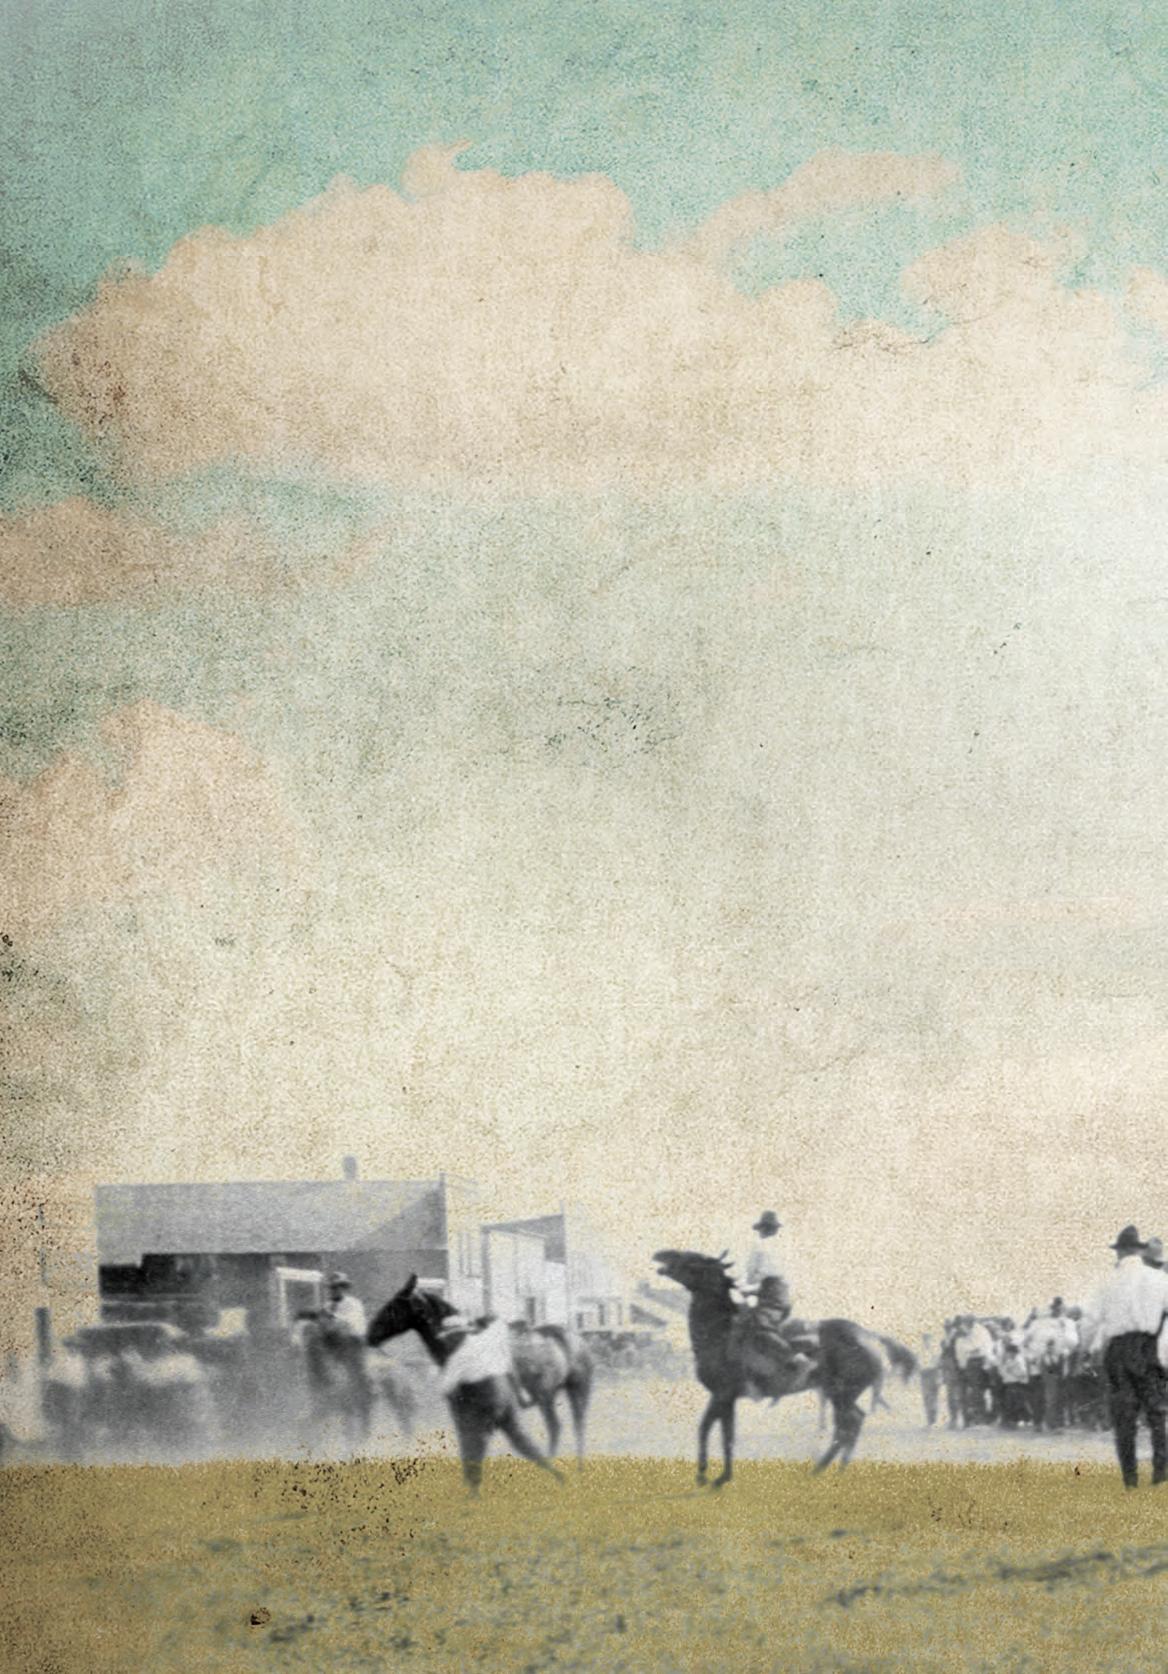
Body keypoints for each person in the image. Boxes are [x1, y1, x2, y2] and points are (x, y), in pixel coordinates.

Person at [1080, 1226, 1168, 1489]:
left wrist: (1084, 1350)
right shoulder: (1159, 1279)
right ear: (1139, 1251)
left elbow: (1090, 1321)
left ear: (1119, 1252)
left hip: (1118, 1350)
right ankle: (1161, 1473)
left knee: (1124, 1417)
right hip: (1148, 1347)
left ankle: (1130, 1480)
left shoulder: (1107, 1282)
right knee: (1156, 1413)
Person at [737, 1211, 814, 1392]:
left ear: (762, 1229)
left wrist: (744, 1288)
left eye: (762, 1229)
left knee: (759, 1325)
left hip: (770, 1294)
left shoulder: (759, 1246)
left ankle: (796, 1360)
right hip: (783, 1294)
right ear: (775, 1229)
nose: (761, 1232)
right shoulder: (785, 1247)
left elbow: (753, 1275)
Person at [919, 1332, 941, 1427]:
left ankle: (934, 1420)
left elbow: (938, 1363)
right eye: (924, 1339)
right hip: (924, 1374)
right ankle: (929, 1420)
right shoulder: (921, 1351)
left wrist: (939, 1376)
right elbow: (919, 1364)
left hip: (932, 1372)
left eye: (928, 1339)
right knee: (926, 1397)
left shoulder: (935, 1350)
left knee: (933, 1397)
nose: (926, 1341)